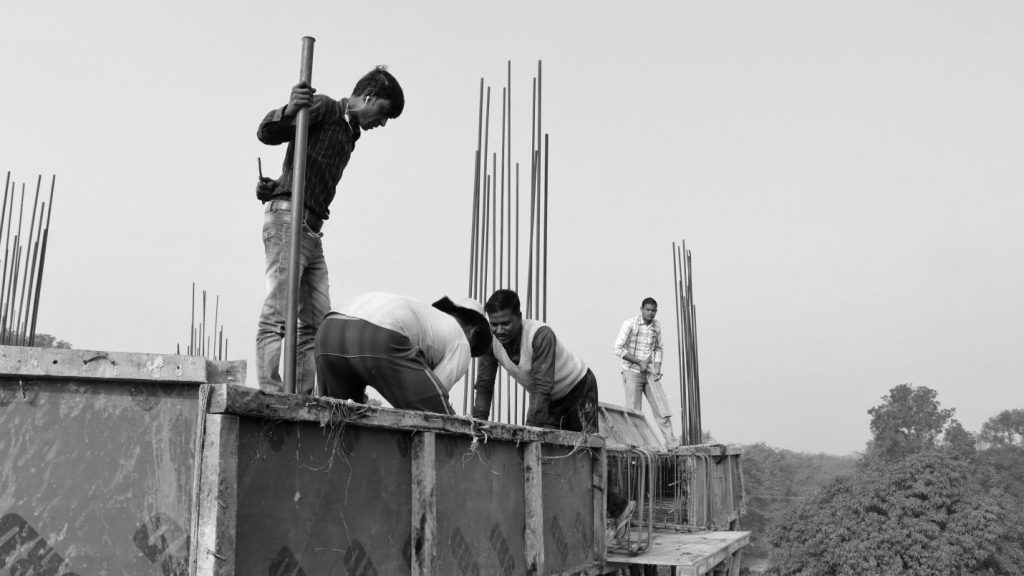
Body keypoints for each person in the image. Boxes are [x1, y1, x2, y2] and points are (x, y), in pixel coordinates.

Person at [254, 66, 405, 395]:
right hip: (287, 221)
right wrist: (291, 109)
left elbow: (306, 171)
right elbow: (267, 132)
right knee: (277, 312)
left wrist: (279, 183)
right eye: (382, 113)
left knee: (317, 324)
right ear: (368, 97)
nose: (381, 123)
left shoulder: (350, 135)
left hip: (311, 229)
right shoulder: (323, 107)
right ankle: (271, 392)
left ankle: (302, 397)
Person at [472, 289, 633, 535]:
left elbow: (541, 388)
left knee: (584, 456)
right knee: (550, 461)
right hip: (550, 400)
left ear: (519, 317)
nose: (499, 330)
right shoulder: (491, 343)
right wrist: (477, 426)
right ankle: (571, 523)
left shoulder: (540, 335)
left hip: (578, 389)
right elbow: (484, 384)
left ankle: (618, 508)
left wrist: (528, 437)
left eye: (506, 323)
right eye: (494, 324)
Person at [315, 292, 490, 413]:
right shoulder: (462, 342)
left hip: (329, 330)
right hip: (378, 334)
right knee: (438, 420)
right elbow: (434, 397)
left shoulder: (430, 317)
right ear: (474, 332)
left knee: (339, 420)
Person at [614, 297, 677, 447]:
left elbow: (658, 348)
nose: (650, 313)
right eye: (648, 310)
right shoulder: (630, 324)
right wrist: (639, 362)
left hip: (649, 373)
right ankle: (636, 445)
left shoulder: (656, 325)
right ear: (641, 309)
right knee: (634, 412)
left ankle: (671, 443)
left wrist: (657, 367)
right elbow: (618, 349)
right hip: (631, 371)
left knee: (661, 409)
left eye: (653, 310)